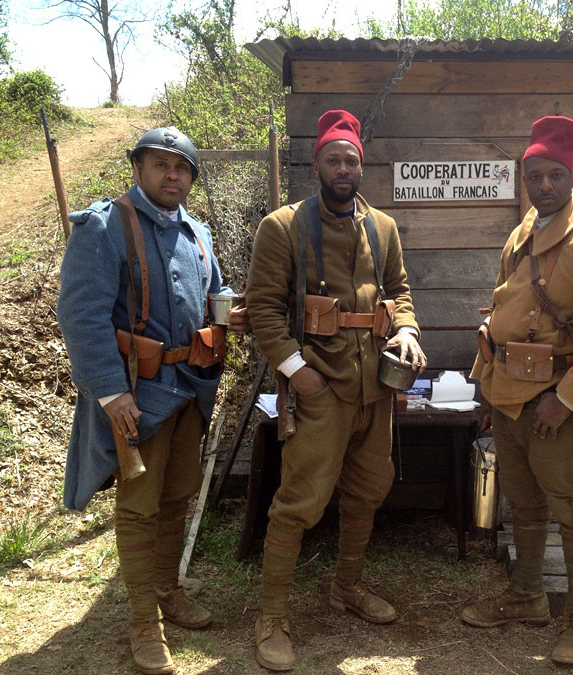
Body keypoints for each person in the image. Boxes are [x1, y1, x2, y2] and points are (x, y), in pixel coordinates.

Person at [57, 126, 249, 675]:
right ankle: (145, 622)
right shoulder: (105, 226)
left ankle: (167, 589)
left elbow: (211, 295)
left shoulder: (197, 231)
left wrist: (226, 316)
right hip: (138, 394)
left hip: (191, 388)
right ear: (139, 167)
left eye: (182, 167)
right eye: (161, 164)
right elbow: (81, 316)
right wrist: (110, 393)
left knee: (179, 493)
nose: (173, 175)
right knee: (140, 507)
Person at [246, 109, 424, 671]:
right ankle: (271, 617)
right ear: (317, 164)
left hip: (376, 384)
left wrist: (407, 331)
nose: (343, 168)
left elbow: (399, 291)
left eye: (351, 160)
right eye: (333, 159)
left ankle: (346, 587)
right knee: (300, 501)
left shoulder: (384, 228)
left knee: (369, 489)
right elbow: (266, 312)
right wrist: (298, 370)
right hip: (320, 385)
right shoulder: (282, 227)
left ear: (361, 167)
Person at [463, 116, 573, 665]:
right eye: (533, 175)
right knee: (524, 502)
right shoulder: (523, 233)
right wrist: (490, 394)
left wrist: (565, 402)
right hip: (512, 395)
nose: (543, 185)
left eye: (553, 175)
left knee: (570, 507)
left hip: (557, 404)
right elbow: (501, 315)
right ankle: (527, 597)